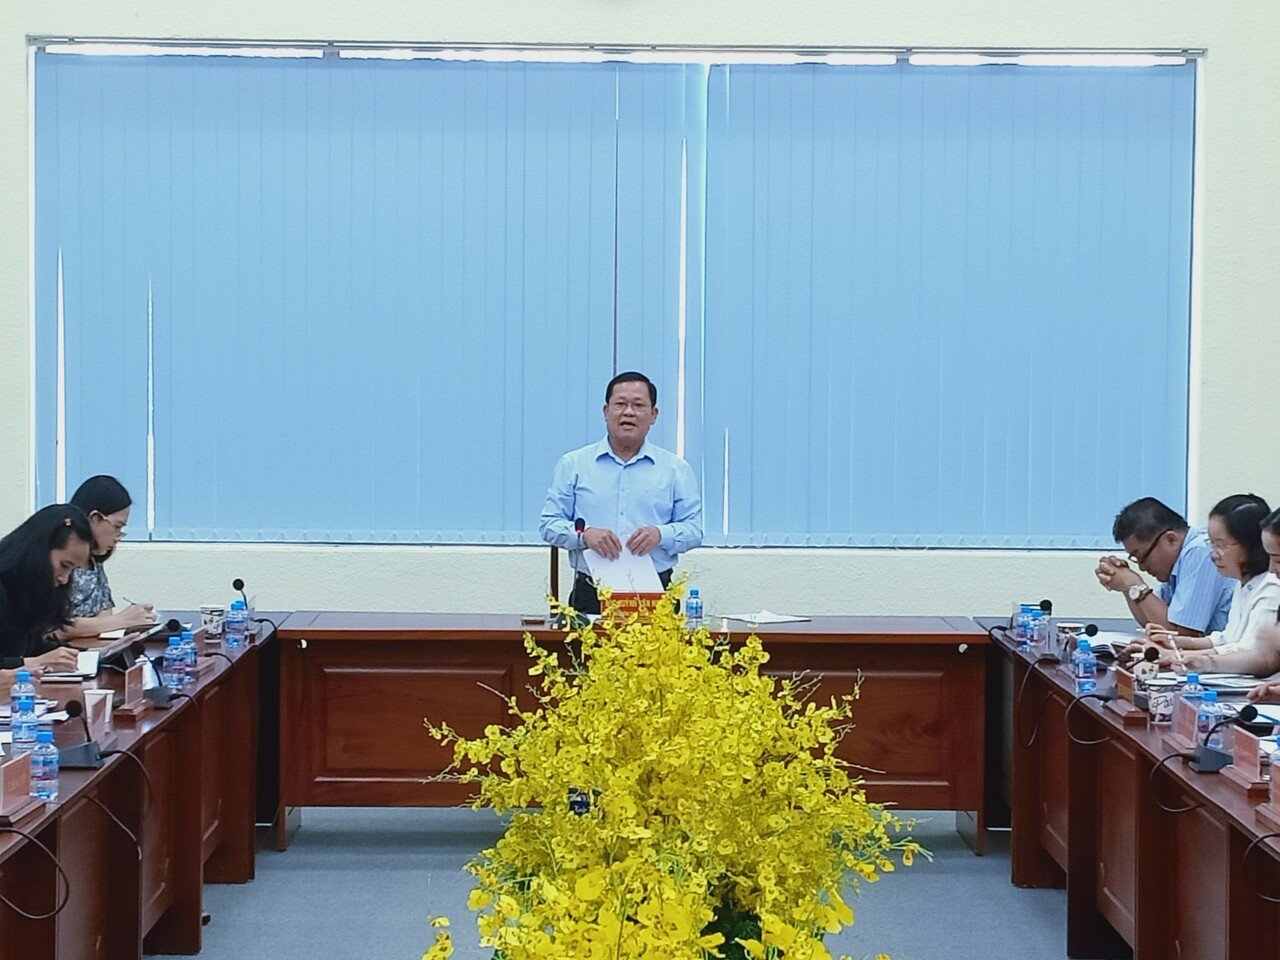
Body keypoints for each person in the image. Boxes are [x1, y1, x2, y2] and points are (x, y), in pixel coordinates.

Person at [539, 371, 702, 615]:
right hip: (591, 593)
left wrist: (660, 534)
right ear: (606, 411)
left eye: (638, 405)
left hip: (655, 593)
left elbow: (694, 530)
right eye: (620, 404)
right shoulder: (574, 464)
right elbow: (548, 524)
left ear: (653, 414)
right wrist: (586, 536)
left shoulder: (675, 469)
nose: (628, 412)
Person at [1130, 494, 1280, 669]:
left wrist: (1178, 656)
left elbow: (1251, 651)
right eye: (1212, 544)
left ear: (1251, 544)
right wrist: (1173, 641)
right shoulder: (1245, 583)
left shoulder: (1271, 585)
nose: (1213, 554)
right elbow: (1226, 638)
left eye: (1221, 545)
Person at [1096, 497, 1233, 636]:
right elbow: (1152, 623)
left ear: (1171, 540)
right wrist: (1127, 587)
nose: (1142, 567)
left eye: (1142, 556)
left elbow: (1181, 635)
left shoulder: (1199, 552)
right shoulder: (1175, 564)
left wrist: (1134, 584)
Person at [58, 475, 157, 638]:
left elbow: (104, 615)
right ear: (94, 518)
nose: (118, 537)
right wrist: (123, 619)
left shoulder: (94, 561)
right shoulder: (57, 558)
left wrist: (131, 620)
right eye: (117, 527)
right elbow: (53, 627)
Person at [0, 504, 91, 681]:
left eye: (72, 570)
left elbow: (28, 647)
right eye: (64, 565)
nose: (64, 579)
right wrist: (33, 663)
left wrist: (94, 656)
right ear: (39, 550)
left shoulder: (27, 590)